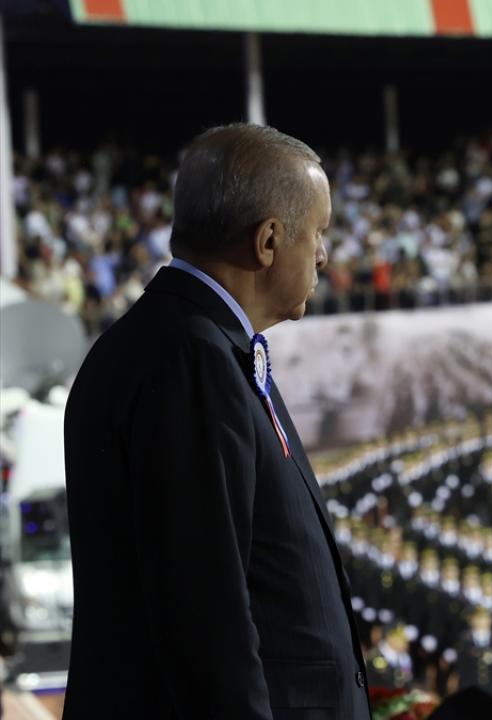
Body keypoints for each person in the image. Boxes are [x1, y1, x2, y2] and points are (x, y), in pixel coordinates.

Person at [62, 125, 371, 719]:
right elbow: (207, 624)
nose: (324, 255)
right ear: (268, 240)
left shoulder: (185, 343)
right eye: (319, 232)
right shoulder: (191, 360)